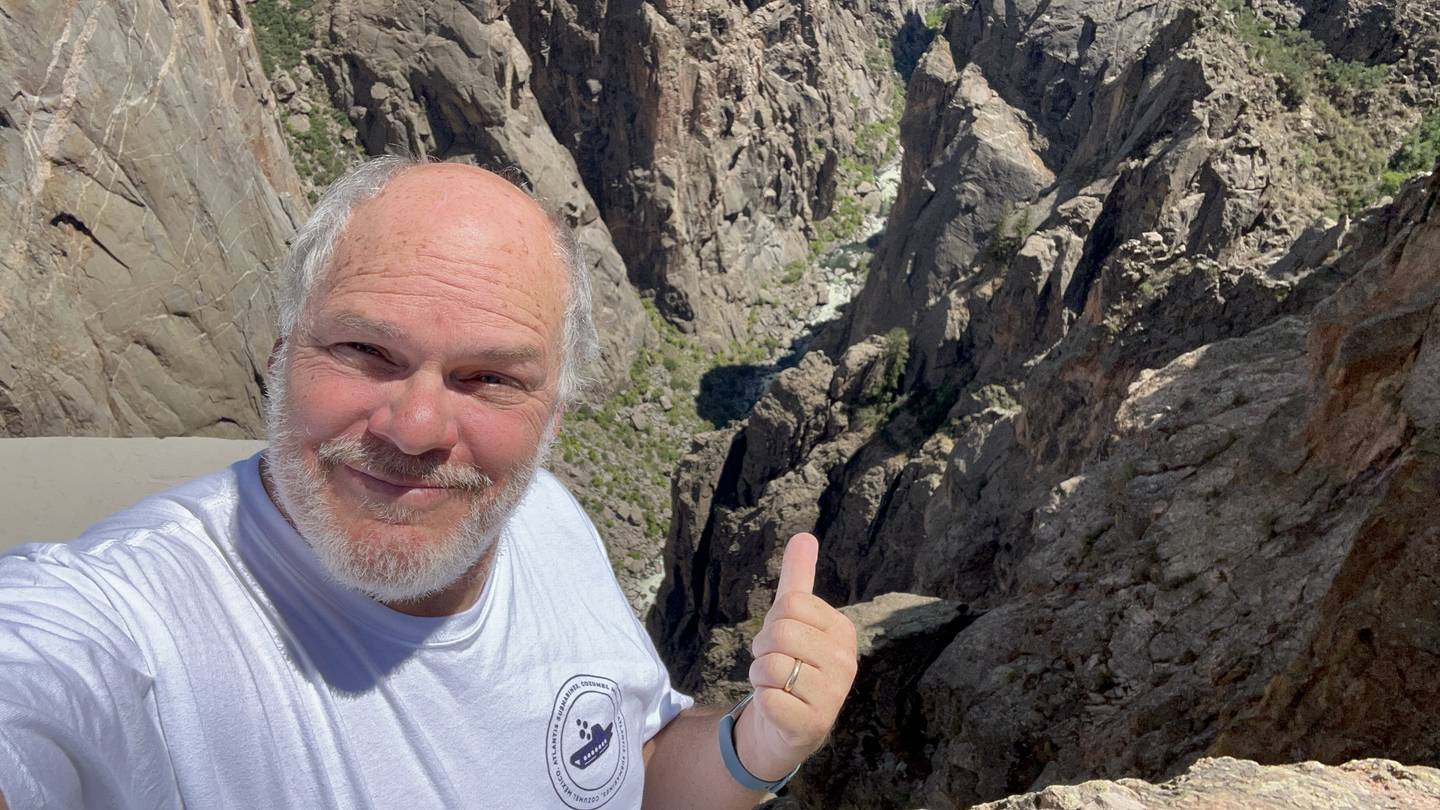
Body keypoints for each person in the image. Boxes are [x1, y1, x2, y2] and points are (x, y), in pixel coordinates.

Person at [0, 158, 857, 809]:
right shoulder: (123, 620)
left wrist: (756, 745)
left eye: (489, 378)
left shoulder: (544, 518)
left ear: (553, 414)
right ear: (279, 355)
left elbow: (628, 768)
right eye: (366, 351)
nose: (414, 428)